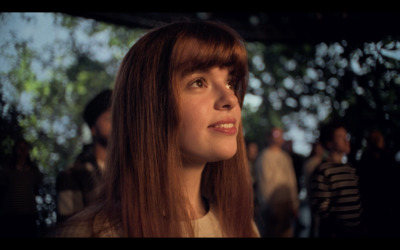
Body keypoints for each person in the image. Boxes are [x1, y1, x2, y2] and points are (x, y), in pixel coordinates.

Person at [51, 20, 259, 237]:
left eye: (230, 83)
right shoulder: (87, 233)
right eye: (198, 82)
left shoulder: (243, 228)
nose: (230, 99)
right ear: (150, 105)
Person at [55, 89, 112, 222]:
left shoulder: (131, 170)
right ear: (93, 129)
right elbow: (68, 228)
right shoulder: (72, 175)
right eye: (109, 118)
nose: (117, 123)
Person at [309, 120, 364, 238]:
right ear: (329, 143)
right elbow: (321, 208)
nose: (346, 140)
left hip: (356, 231)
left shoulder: (350, 169)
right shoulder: (323, 171)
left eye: (346, 136)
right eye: (340, 137)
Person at [255, 127, 299, 237]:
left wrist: (294, 203)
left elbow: (291, 181)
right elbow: (264, 184)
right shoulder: (265, 157)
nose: (278, 138)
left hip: (287, 203)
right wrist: (270, 207)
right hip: (274, 205)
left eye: (280, 134)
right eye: (275, 134)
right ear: (269, 138)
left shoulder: (285, 157)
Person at [0, 138, 43, 238]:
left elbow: (37, 187)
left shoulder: (33, 170)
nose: (22, 151)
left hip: (28, 214)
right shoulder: (7, 170)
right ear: (15, 150)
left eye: (24, 148)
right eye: (20, 148)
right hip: (10, 215)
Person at [357, 129, 396, 237]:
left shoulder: (387, 158)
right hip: (373, 206)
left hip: (385, 206)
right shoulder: (367, 158)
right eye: (377, 140)